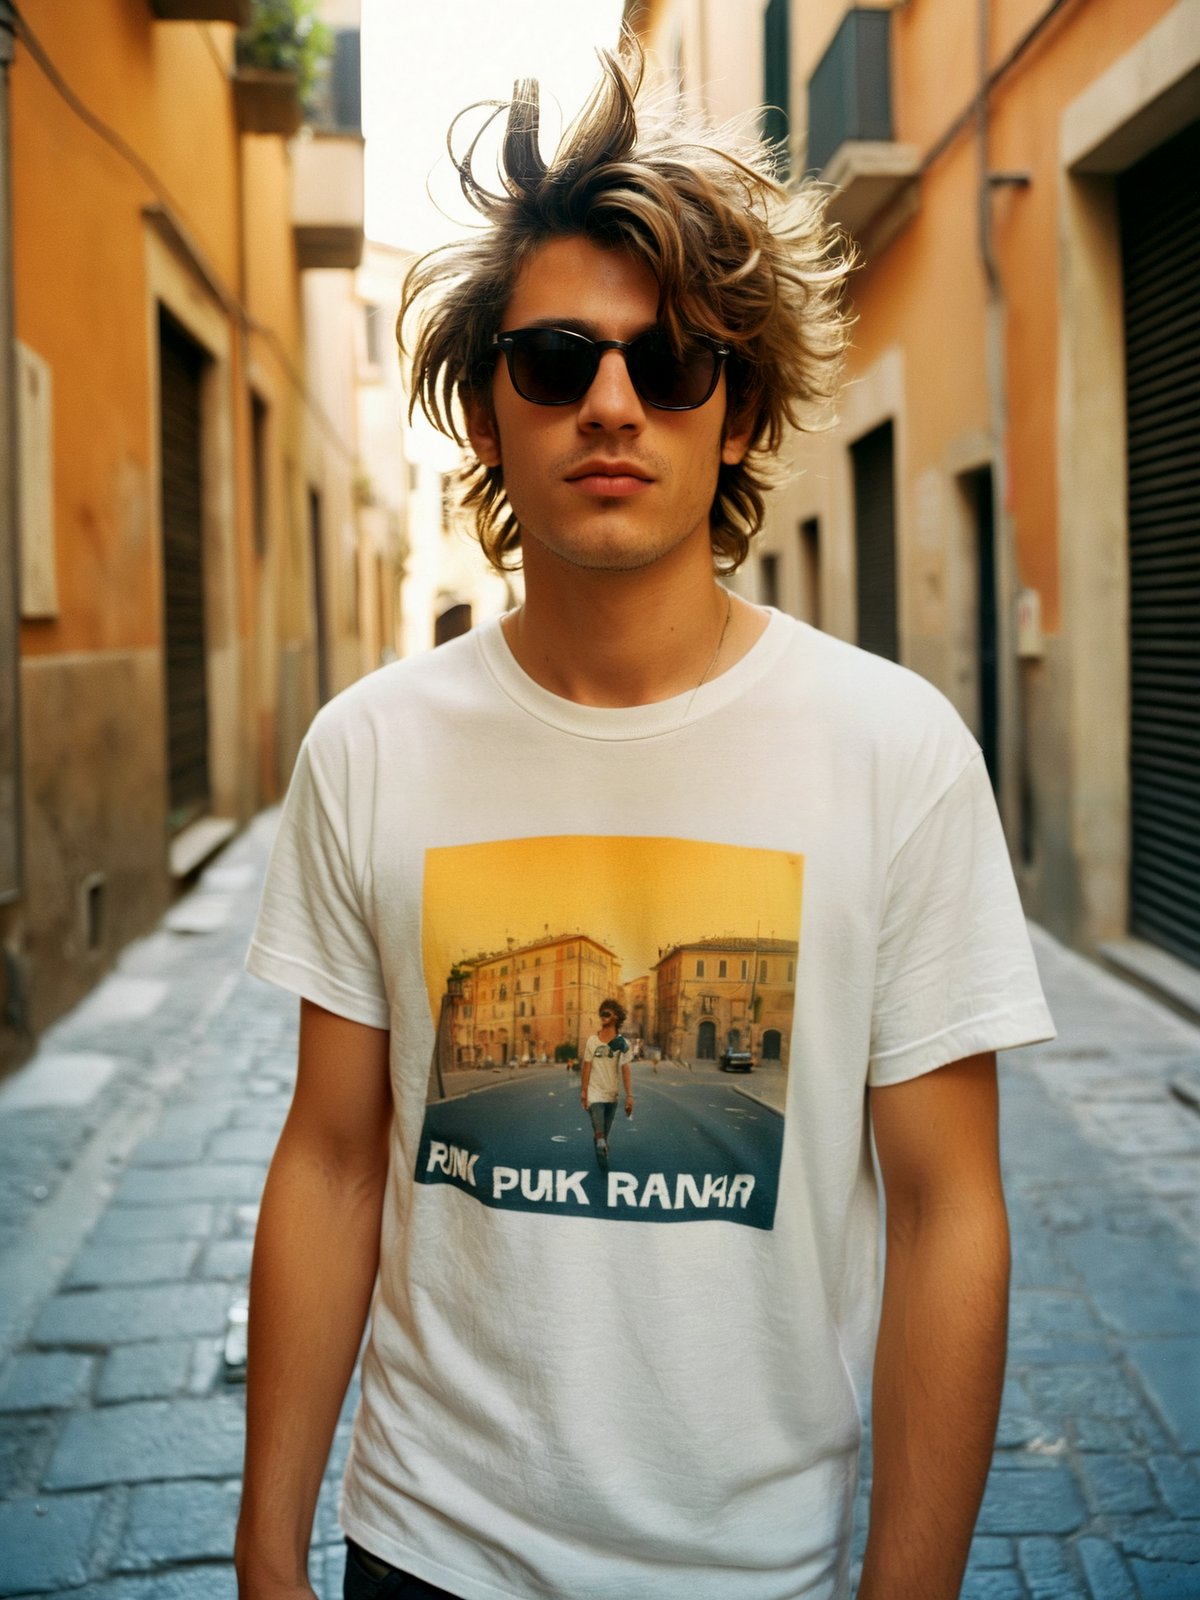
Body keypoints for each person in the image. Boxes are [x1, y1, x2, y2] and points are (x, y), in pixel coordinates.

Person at [235, 42, 1054, 1600]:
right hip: (423, 1545)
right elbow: (335, 1159)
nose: (612, 402)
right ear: (487, 412)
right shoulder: (369, 748)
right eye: (553, 361)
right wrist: (267, 1538)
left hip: (755, 1567)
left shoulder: (899, 752)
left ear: (735, 415)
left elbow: (952, 1210)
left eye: (672, 362)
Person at [579, 1000, 634, 1165]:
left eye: (606, 1013)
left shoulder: (623, 1044)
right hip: (594, 1093)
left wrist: (629, 1096)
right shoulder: (592, 1041)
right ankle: (601, 1144)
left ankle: (601, 1148)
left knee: (603, 1133)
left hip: (612, 1094)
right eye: (601, 1013)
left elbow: (625, 1069)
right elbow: (586, 1067)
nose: (602, 1016)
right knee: (600, 1132)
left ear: (616, 1017)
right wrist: (584, 1091)